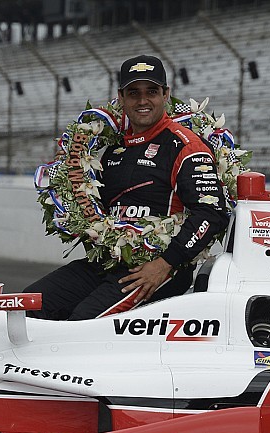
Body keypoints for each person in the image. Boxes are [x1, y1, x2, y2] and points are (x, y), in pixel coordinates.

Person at [24, 55, 231, 320]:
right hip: (109, 264)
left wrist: (165, 264)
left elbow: (212, 214)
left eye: (152, 92)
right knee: (29, 306)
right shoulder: (111, 150)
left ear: (166, 94)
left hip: (157, 268)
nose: (143, 101)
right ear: (121, 97)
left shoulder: (186, 146)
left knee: (82, 322)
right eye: (134, 93)